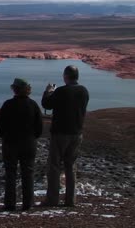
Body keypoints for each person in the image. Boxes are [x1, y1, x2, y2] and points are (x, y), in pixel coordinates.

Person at [42, 65, 89, 207]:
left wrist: (48, 91)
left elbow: (46, 104)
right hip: (77, 133)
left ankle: (52, 200)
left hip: (60, 134)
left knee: (54, 166)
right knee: (71, 166)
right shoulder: (84, 91)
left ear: (66, 76)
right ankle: (70, 200)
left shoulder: (61, 91)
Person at [0, 78, 43, 211]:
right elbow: (39, 127)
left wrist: (4, 136)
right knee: (28, 172)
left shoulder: (8, 105)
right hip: (29, 144)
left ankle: (10, 204)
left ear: (14, 89)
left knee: (10, 173)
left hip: (10, 144)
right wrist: (33, 137)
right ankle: (28, 204)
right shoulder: (33, 105)